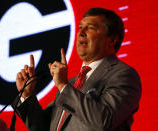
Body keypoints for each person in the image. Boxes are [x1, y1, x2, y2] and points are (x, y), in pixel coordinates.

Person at [12, 7, 142, 131]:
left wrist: (63, 85)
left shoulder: (123, 75)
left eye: (90, 28)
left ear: (112, 40)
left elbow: (103, 121)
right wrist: (27, 95)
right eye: (80, 28)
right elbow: (45, 128)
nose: (81, 32)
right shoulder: (72, 84)